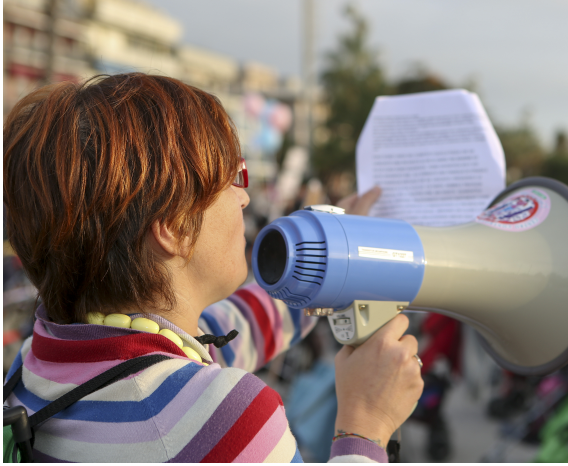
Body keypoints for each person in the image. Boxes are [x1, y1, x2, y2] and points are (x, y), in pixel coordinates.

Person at [2, 73, 423, 462]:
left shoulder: (37, 362)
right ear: (171, 226)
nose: (243, 199)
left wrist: (329, 251)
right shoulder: (222, 417)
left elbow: (236, 327)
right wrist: (366, 426)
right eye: (233, 177)